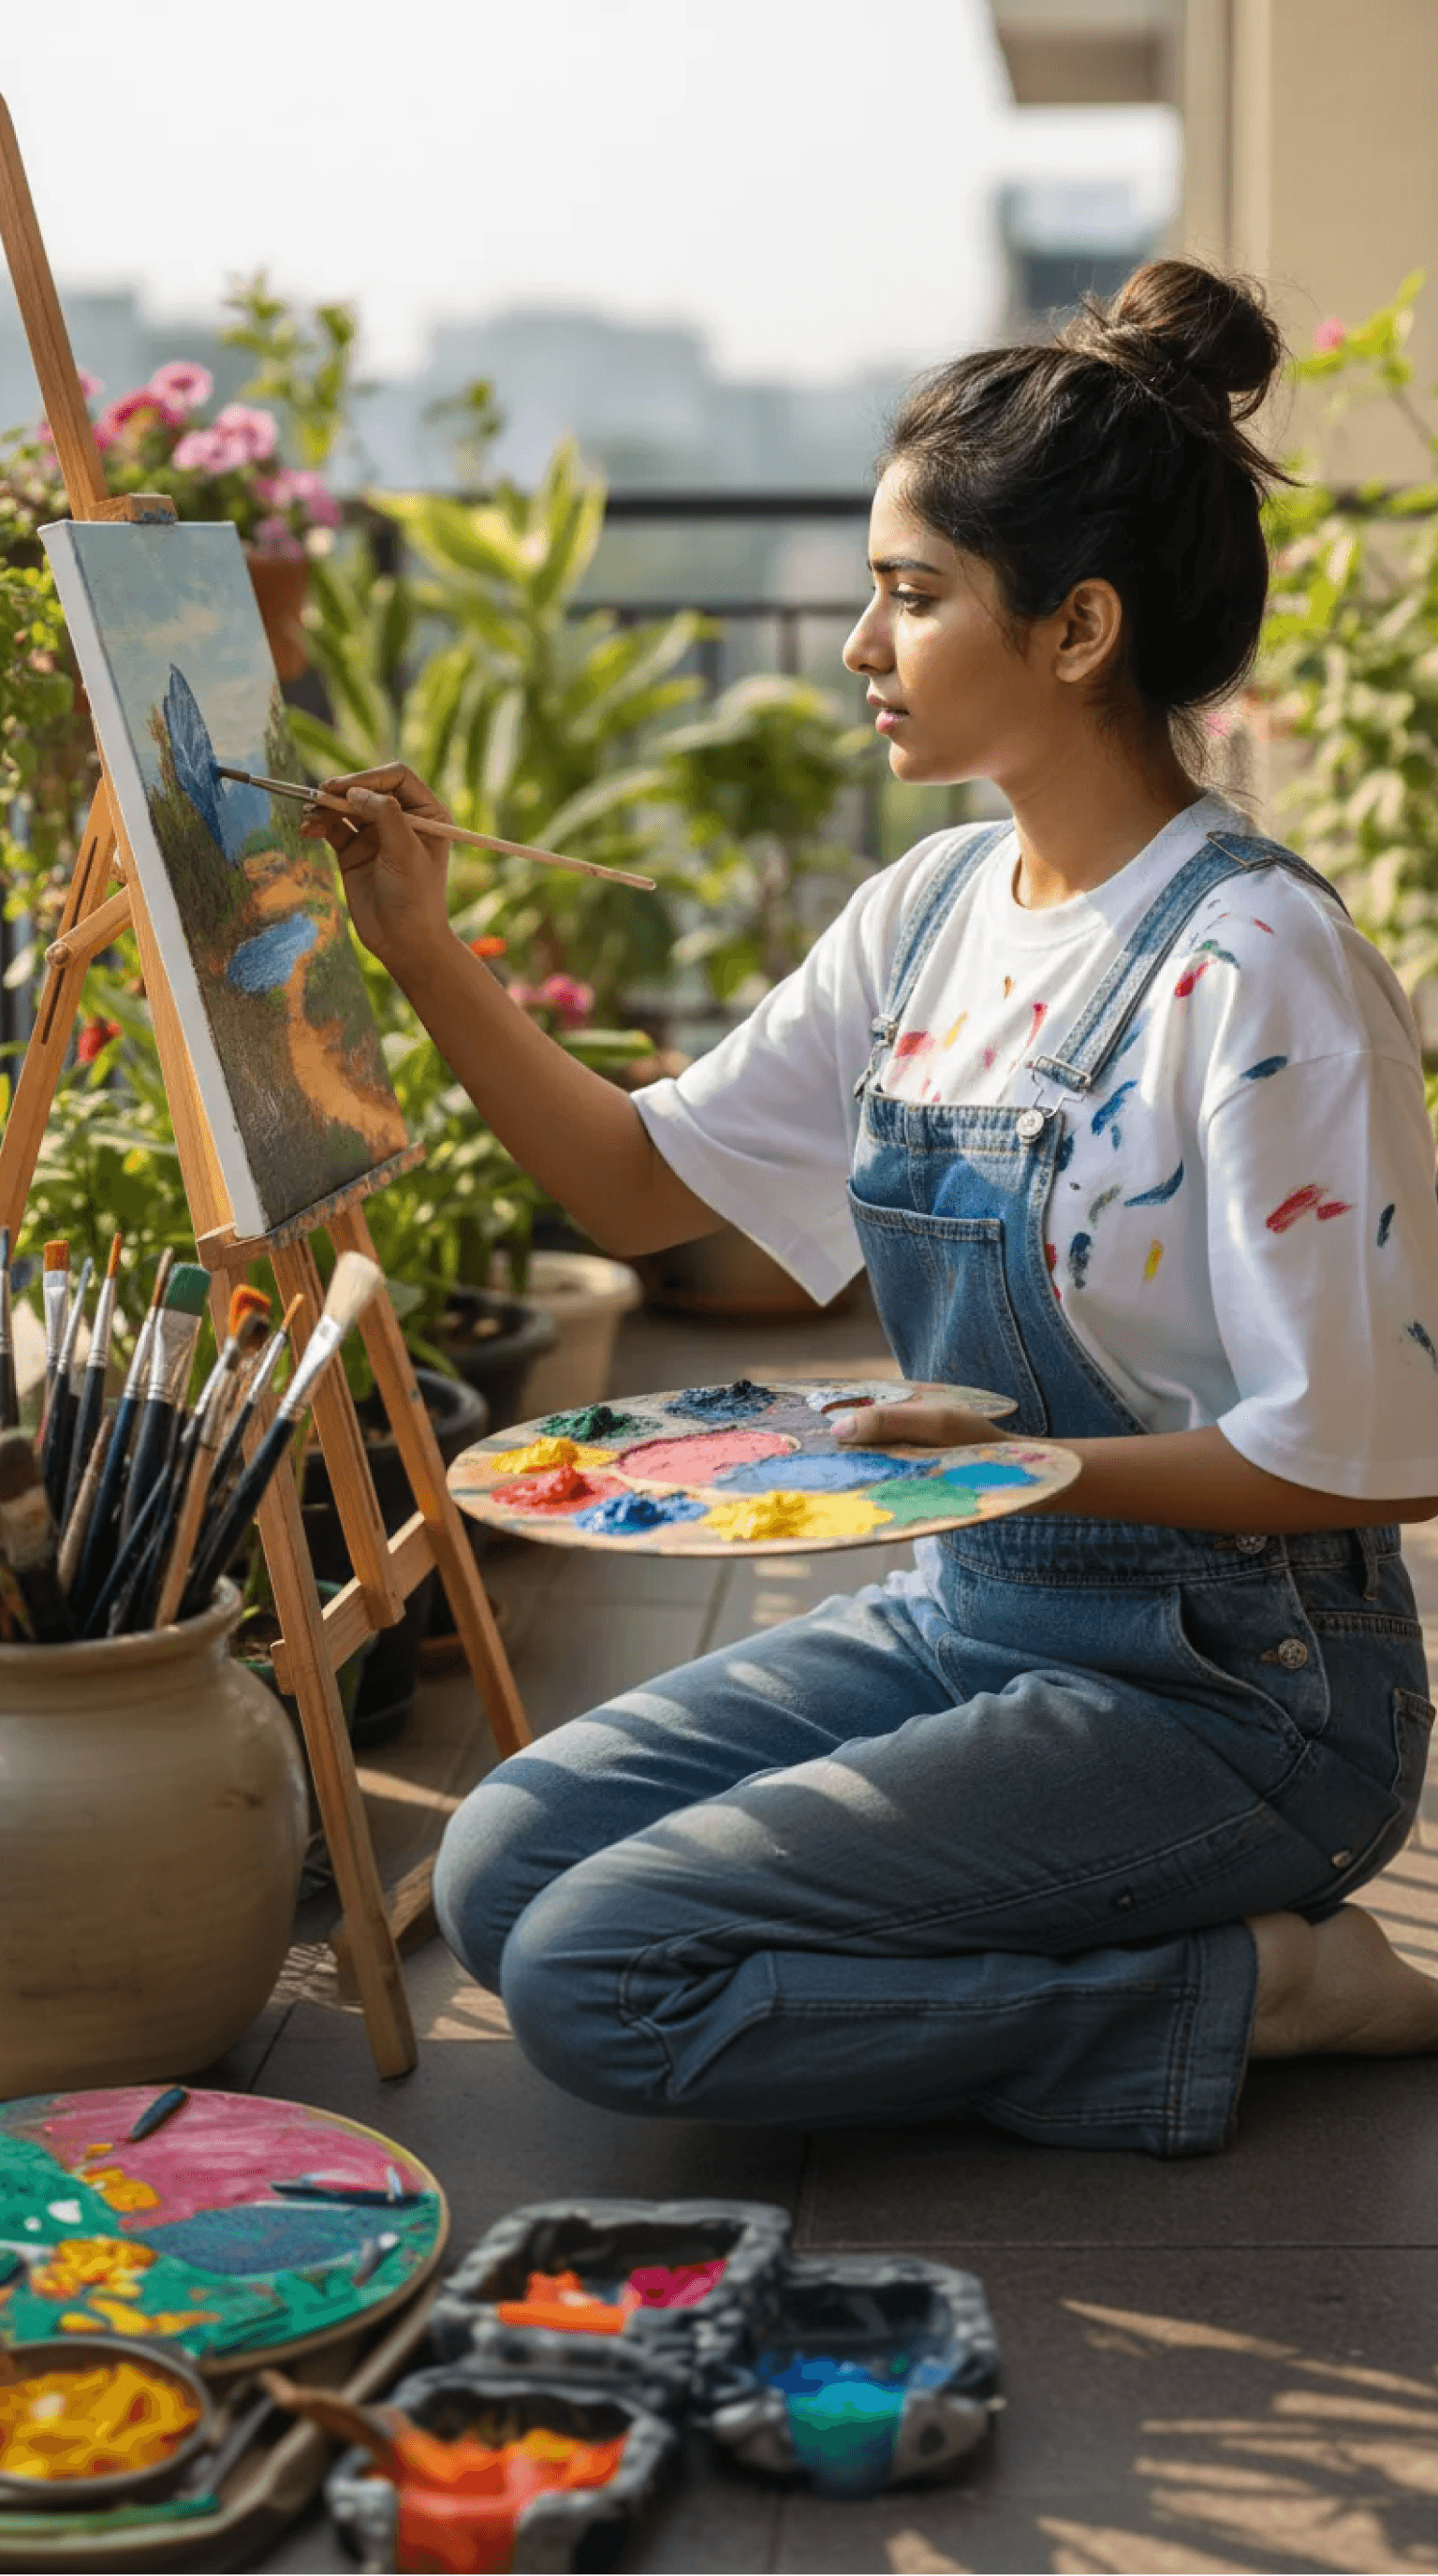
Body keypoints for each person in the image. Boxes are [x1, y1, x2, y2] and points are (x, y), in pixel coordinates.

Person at [303, 258, 1438, 2157]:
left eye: (910, 597)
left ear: (1077, 628)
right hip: (975, 1613)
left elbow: (1370, 1457)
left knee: (596, 1976)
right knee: (501, 1868)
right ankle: (1169, 1975)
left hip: (1245, 1696)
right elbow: (638, 1184)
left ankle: (1247, 1986)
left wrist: (1008, 1469)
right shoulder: (924, 910)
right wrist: (420, 949)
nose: (858, 643)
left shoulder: (1261, 969)